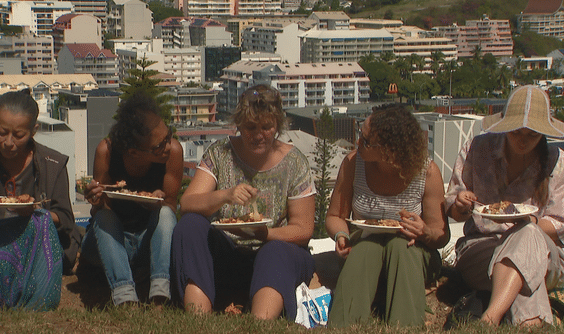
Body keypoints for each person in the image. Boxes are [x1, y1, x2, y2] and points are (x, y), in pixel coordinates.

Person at [173, 84, 316, 320]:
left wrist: (264, 234)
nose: (258, 135)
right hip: (228, 252)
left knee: (276, 251)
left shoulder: (295, 163)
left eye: (266, 127)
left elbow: (303, 229)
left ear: (277, 126)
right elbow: (188, 203)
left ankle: (260, 320)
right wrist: (225, 195)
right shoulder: (220, 153)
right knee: (189, 226)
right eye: (250, 127)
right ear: (238, 125)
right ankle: (198, 318)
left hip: (272, 252)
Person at [446, 85, 564, 327]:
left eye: (532, 135)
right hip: (482, 248)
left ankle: (490, 319)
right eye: (516, 133)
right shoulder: (477, 149)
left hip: (545, 254)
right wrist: (460, 203)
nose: (523, 141)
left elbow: (561, 223)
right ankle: (532, 324)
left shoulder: (561, 163)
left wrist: (529, 223)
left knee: (527, 234)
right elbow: (453, 206)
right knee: (526, 265)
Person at [326, 103, 450, 327]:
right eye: (360, 136)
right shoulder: (354, 164)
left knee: (401, 247)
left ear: (390, 149)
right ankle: (344, 325)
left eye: (366, 141)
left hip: (412, 251)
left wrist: (424, 232)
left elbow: (441, 234)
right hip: (365, 244)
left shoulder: (427, 172)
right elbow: (335, 216)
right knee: (366, 247)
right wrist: (341, 235)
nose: (358, 143)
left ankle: (405, 326)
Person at [0, 89, 79, 310]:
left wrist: (31, 212)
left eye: (18, 135)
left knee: (42, 221)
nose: (8, 142)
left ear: (33, 131)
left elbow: (66, 218)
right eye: (1, 132)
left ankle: (36, 301)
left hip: (33, 242)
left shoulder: (52, 163)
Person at [82, 92, 183, 306]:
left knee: (164, 214)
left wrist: (153, 205)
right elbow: (100, 211)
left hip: (150, 242)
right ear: (134, 152)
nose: (167, 146)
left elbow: (171, 207)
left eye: (169, 136)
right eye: (158, 146)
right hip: (114, 242)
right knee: (104, 218)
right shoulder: (107, 152)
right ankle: (124, 295)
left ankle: (160, 293)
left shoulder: (173, 153)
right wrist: (96, 199)